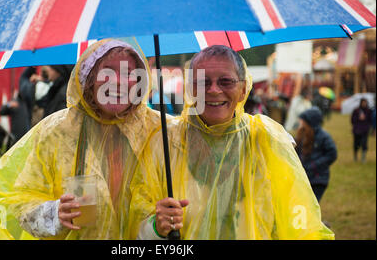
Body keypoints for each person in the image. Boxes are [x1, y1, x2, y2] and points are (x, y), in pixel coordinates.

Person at [130, 45, 334, 240]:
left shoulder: (266, 139)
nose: (214, 90)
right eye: (203, 82)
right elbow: (134, 226)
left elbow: (298, 218)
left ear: (243, 89)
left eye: (225, 81)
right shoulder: (166, 143)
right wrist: (156, 227)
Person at [0, 39, 162, 240]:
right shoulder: (56, 131)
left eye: (129, 73)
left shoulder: (159, 132)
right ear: (90, 76)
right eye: (108, 71)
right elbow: (21, 202)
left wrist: (158, 228)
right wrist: (55, 214)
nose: (118, 81)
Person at [295, 107, 337, 202]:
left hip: (318, 180)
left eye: (303, 120)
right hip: (305, 178)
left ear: (311, 122)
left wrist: (314, 165)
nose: (301, 122)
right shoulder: (301, 134)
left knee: (311, 206)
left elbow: (332, 154)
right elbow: (296, 151)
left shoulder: (323, 137)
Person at [0, 67, 36, 146]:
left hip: (27, 139)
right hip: (15, 140)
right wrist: (9, 105)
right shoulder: (15, 102)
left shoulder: (30, 102)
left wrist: (33, 68)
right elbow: (1, 111)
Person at [351, 98, 373, 163]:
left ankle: (363, 158)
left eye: (365, 103)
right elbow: (352, 120)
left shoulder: (368, 111)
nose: (364, 104)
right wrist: (359, 118)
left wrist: (369, 127)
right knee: (356, 144)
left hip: (365, 130)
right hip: (357, 130)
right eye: (363, 102)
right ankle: (355, 157)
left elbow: (370, 120)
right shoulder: (356, 110)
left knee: (364, 144)